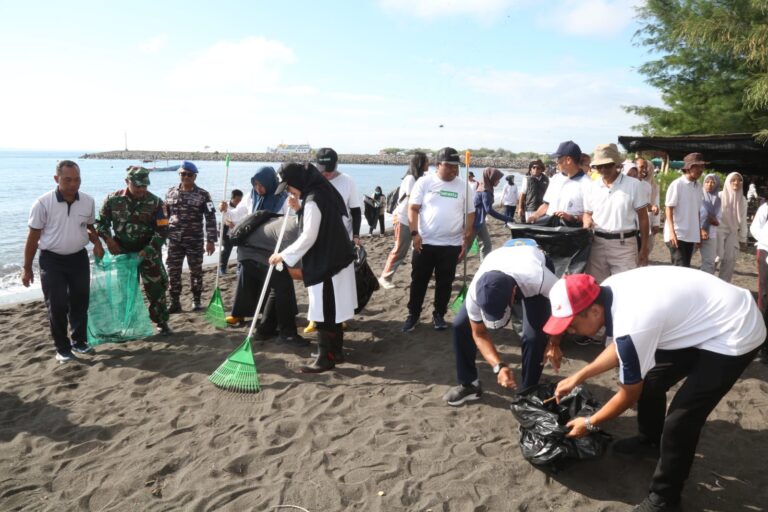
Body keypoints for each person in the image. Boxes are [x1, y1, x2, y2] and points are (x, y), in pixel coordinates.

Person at [544, 268, 764, 512]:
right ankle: (650, 441)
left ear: (594, 311)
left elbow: (629, 393)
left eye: (572, 325)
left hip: (735, 329)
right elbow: (622, 346)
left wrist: (591, 422)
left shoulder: (633, 321)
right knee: (651, 380)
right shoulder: (607, 289)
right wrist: (579, 375)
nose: (570, 332)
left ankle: (665, 499)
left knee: (681, 419)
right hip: (702, 318)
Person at [443, 242, 559, 406]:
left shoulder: (539, 279)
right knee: (460, 325)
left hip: (533, 262)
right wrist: (499, 366)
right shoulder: (475, 293)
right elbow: (479, 333)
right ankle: (469, 384)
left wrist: (554, 343)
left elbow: (562, 308)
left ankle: (527, 393)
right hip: (499, 260)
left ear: (513, 295)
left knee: (534, 337)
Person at [269, 162, 357, 373]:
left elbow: (309, 235)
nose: (289, 192)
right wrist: (300, 210)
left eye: (289, 187)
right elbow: (321, 222)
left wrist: (283, 255)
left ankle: (325, 358)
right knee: (333, 310)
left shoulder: (313, 199)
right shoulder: (322, 192)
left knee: (324, 310)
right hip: (337, 258)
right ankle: (335, 352)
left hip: (327, 263)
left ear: (298, 181)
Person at [22, 160, 104, 362]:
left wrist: (97, 243)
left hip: (78, 258)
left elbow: (89, 226)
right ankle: (62, 348)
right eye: (68, 179)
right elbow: (33, 237)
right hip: (52, 260)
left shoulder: (88, 201)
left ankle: (80, 342)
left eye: (77, 179)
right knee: (57, 304)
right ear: (56, 179)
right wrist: (27, 268)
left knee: (80, 301)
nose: (73, 184)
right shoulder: (42, 203)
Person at [402, 147, 475, 332]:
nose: (454, 170)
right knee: (418, 281)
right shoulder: (425, 182)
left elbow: (470, 212)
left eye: (456, 166)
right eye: (449, 166)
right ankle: (414, 315)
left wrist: (467, 233)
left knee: (445, 282)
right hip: (424, 242)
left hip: (451, 245)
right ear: (438, 165)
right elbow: (413, 209)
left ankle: (439, 314)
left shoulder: (463, 185)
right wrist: (414, 233)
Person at [96, 167, 172, 335]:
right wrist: (108, 240)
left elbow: (163, 230)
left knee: (156, 289)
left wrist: (148, 249)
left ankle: (161, 322)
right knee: (126, 290)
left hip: (148, 254)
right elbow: (101, 223)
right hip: (123, 254)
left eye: (144, 186)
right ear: (127, 182)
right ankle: (128, 324)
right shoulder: (112, 200)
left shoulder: (156, 203)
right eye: (137, 186)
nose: (141, 190)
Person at [303, 147, 362, 334]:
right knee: (315, 281)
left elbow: (356, 210)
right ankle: (314, 318)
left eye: (330, 169)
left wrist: (356, 235)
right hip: (315, 238)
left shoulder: (347, 181)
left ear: (336, 164)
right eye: (323, 169)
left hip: (341, 238)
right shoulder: (310, 181)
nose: (326, 174)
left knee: (340, 281)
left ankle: (341, 317)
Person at [223, 166, 289, 329]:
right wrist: (226, 210)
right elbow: (238, 214)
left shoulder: (284, 198)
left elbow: (292, 221)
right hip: (252, 244)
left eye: (261, 185)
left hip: (273, 245)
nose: (258, 189)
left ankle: (280, 316)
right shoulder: (251, 196)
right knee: (247, 274)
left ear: (270, 182)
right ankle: (239, 313)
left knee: (276, 279)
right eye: (255, 185)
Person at [582, 144, 649, 283]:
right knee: (598, 288)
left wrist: (644, 248)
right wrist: (586, 221)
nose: (603, 169)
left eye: (608, 165)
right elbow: (587, 213)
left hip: (624, 245)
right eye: (599, 166)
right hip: (597, 244)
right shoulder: (592, 186)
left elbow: (643, 218)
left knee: (625, 288)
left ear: (617, 164)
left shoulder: (634, 185)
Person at [165, 161, 217, 312]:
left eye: (189, 175)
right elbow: (165, 215)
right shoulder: (170, 192)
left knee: (196, 271)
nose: (185, 177)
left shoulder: (203, 195)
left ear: (195, 176)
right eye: (183, 174)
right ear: (179, 174)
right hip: (174, 239)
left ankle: (196, 300)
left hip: (194, 239)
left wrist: (211, 240)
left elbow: (211, 218)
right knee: (173, 271)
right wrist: (162, 234)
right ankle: (175, 302)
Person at [378, 152, 428, 290]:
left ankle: (421, 274)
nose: (429, 164)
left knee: (419, 248)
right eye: (426, 161)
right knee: (400, 249)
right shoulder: (410, 178)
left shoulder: (420, 178)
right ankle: (385, 277)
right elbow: (415, 200)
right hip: (403, 219)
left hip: (413, 219)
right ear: (420, 163)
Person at [527, 141, 589, 227]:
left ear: (568, 160)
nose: (557, 162)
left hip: (570, 231)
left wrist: (572, 218)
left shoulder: (587, 183)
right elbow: (546, 204)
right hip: (550, 227)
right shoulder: (556, 178)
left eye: (559, 159)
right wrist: (535, 216)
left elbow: (590, 215)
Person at [663, 153, 704, 267]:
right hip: (678, 234)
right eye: (697, 166)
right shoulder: (677, 184)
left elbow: (697, 212)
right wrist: (672, 233)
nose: (701, 169)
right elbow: (668, 208)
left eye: (702, 166)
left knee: (685, 267)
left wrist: (698, 232)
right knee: (680, 268)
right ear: (688, 167)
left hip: (690, 234)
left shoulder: (699, 186)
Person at [473, 167, 513, 259]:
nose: (499, 182)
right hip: (474, 221)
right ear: (491, 178)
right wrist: (506, 218)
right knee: (465, 247)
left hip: (480, 220)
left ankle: (484, 268)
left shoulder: (486, 188)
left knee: (486, 245)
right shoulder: (485, 191)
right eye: (497, 179)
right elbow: (489, 210)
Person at [716, 172, 748, 282]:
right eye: (733, 180)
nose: (736, 182)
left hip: (733, 233)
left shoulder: (742, 200)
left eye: (739, 180)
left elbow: (743, 220)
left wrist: (743, 238)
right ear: (728, 182)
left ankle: (723, 288)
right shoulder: (719, 196)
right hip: (718, 232)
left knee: (729, 262)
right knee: (714, 259)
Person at [749, 201, 768, 363]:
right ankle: (760, 344)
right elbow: (754, 229)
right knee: (764, 296)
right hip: (765, 251)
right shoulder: (765, 208)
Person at [636, 157, 661, 251]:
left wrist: (656, 223)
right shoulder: (633, 183)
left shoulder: (651, 186)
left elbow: (655, 203)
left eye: (646, 167)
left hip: (648, 219)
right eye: (642, 167)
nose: (645, 170)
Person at [218, 189, 244, 275]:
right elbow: (224, 217)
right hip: (227, 232)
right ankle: (222, 268)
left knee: (240, 250)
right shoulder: (226, 206)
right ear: (232, 198)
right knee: (226, 250)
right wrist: (229, 223)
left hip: (239, 231)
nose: (238, 202)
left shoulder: (242, 206)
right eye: (236, 200)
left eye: (240, 200)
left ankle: (239, 268)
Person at [699, 174, 721, 274]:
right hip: (695, 233)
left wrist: (715, 221)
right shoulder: (698, 196)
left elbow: (719, 219)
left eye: (713, 182)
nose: (710, 184)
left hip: (711, 234)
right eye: (707, 182)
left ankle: (704, 285)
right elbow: (692, 214)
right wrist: (700, 229)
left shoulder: (718, 200)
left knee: (709, 262)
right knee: (685, 259)